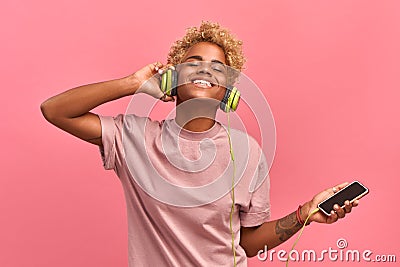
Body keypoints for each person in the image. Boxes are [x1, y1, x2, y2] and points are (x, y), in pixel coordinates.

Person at [41, 21, 359, 266]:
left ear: (228, 94)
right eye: (193, 62)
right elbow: (55, 111)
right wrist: (133, 84)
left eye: (218, 67)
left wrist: (304, 214)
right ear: (171, 82)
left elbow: (246, 242)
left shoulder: (247, 153)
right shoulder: (133, 138)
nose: (205, 68)